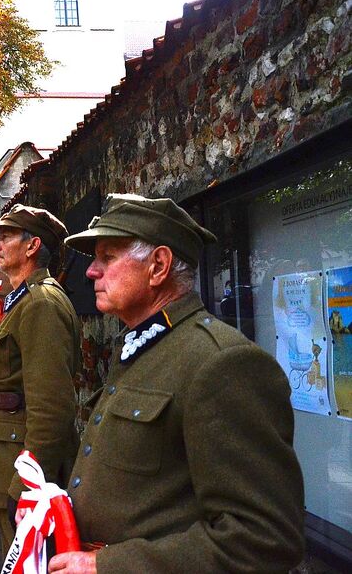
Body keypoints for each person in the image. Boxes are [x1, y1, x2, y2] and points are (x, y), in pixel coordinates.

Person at [49, 193, 304, 573]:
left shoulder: (221, 363)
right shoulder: (143, 346)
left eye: (108, 256)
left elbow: (264, 537)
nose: (91, 271)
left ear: (158, 266)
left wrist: (109, 565)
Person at [0, 204, 81, 553]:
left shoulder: (42, 304)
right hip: (6, 460)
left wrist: (25, 488)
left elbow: (52, 411)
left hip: (22, 472)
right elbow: (12, 383)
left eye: (5, 237)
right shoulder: (20, 302)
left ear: (32, 246)